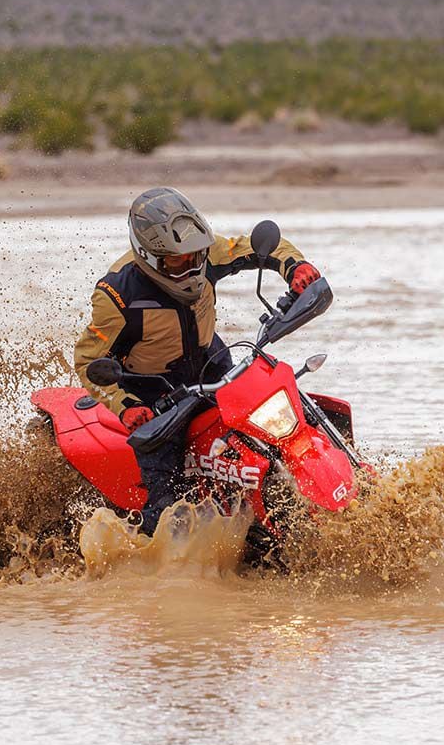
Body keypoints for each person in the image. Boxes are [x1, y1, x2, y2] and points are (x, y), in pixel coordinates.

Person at [74, 187, 323, 535]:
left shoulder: (204, 254)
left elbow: (253, 247)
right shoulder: (116, 296)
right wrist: (125, 406)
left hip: (213, 363)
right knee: (167, 505)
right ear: (150, 255)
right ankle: (159, 555)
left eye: (196, 255)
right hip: (153, 395)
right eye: (179, 260)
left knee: (285, 407)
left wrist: (296, 267)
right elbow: (89, 360)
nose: (192, 265)